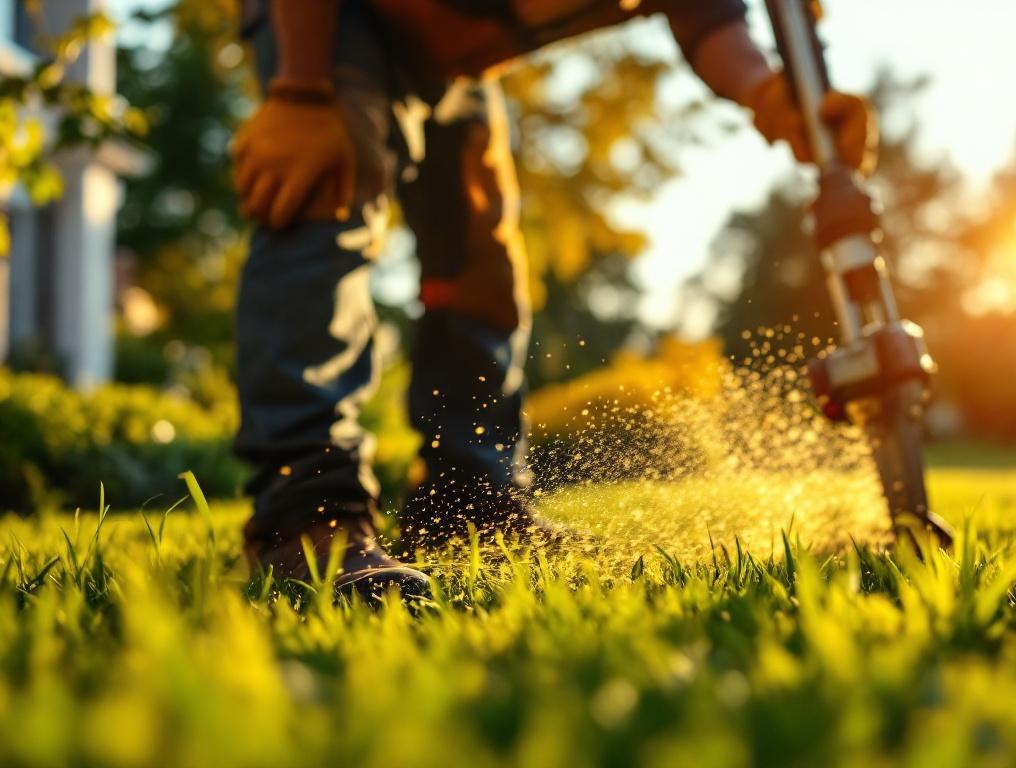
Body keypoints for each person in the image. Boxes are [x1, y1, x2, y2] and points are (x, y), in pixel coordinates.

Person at [230, 0, 876, 599]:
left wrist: (766, 89)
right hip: (326, 19)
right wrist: (301, 91)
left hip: (448, 52)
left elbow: (707, 16)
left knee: (483, 259)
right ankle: (305, 515)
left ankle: (468, 508)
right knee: (325, 177)